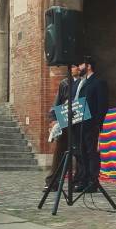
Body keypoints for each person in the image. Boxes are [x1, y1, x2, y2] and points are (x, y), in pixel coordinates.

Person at [44, 62, 82, 192]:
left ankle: (78, 181)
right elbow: (58, 102)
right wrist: (53, 119)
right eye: (72, 66)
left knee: (79, 152)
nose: (75, 68)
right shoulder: (65, 83)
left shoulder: (84, 83)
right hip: (65, 122)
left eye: (76, 66)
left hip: (80, 122)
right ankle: (52, 182)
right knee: (59, 152)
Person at [73, 56, 108, 193]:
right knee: (81, 153)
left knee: (91, 153)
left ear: (88, 66)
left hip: (91, 125)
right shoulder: (82, 83)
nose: (78, 68)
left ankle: (92, 182)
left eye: (80, 64)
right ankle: (84, 180)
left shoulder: (99, 82)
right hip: (80, 124)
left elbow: (102, 106)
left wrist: (97, 125)